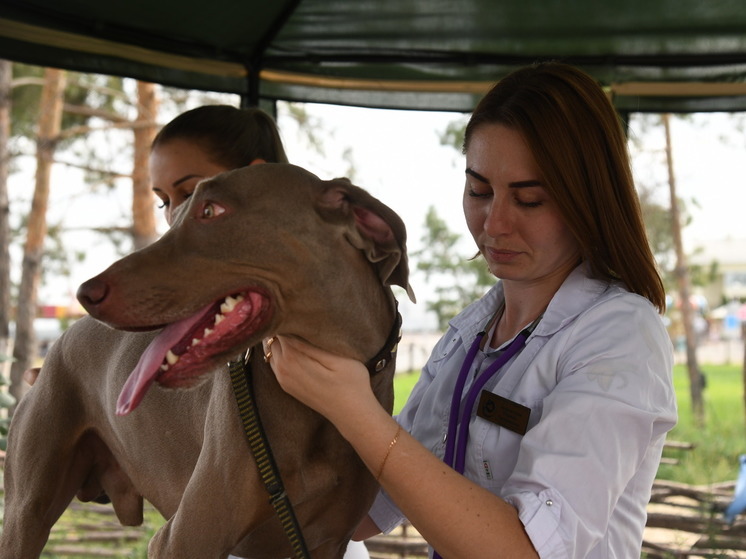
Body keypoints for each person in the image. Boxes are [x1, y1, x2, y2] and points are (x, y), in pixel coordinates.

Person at [263, 62, 678, 558]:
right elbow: (363, 510)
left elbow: (526, 550)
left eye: (529, 199)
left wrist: (352, 408)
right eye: (479, 191)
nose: (494, 224)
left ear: (588, 199)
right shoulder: (474, 331)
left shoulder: (620, 336)